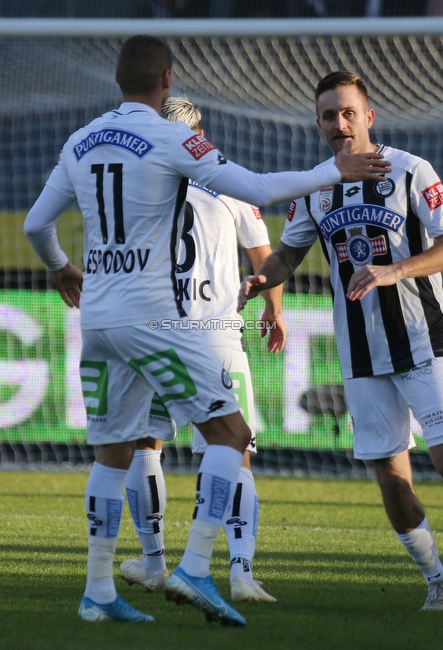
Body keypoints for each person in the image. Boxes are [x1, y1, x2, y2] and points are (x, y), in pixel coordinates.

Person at [23, 36, 388, 626]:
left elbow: (36, 224)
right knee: (232, 435)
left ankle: (97, 592)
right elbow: (260, 190)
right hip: (156, 318)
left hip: (98, 320)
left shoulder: (80, 141)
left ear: (118, 80)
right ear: (166, 78)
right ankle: (195, 568)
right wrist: (333, 168)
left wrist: (62, 267)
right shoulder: (172, 137)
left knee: (114, 450)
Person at [238, 71, 443, 612]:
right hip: (361, 355)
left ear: (368, 117)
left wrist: (394, 270)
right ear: (318, 123)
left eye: (347, 113)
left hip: (420, 341)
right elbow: (290, 253)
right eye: (328, 116)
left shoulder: (411, 170)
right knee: (389, 473)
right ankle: (438, 580)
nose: (338, 125)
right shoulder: (314, 185)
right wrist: (262, 278)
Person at [118, 96, 284, 604]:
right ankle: (240, 573)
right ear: (199, 132)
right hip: (214, 332)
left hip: (152, 330)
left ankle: (152, 564)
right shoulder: (229, 178)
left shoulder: (134, 182)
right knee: (234, 451)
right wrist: (275, 311)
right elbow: (265, 256)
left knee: (144, 444)